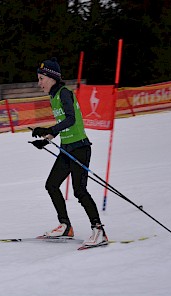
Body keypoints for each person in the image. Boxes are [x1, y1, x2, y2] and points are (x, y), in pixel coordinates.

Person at [29, 57, 108, 248]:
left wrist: (50, 130)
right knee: (52, 185)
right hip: (67, 148)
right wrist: (46, 140)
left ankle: (99, 231)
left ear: (52, 78)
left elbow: (71, 119)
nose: (39, 83)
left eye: (41, 79)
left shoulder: (64, 93)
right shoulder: (53, 97)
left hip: (80, 148)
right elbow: (63, 126)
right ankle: (65, 226)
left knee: (79, 191)